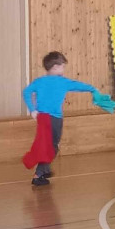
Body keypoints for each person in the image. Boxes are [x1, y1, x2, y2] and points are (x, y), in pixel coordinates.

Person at [22, 52, 100, 186]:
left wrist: (32, 109)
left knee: (46, 145)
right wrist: (92, 89)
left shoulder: (39, 81)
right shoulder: (62, 82)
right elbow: (78, 85)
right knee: (53, 146)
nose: (64, 69)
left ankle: (43, 170)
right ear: (55, 67)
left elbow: (26, 92)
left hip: (42, 118)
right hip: (54, 119)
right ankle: (39, 173)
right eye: (63, 66)